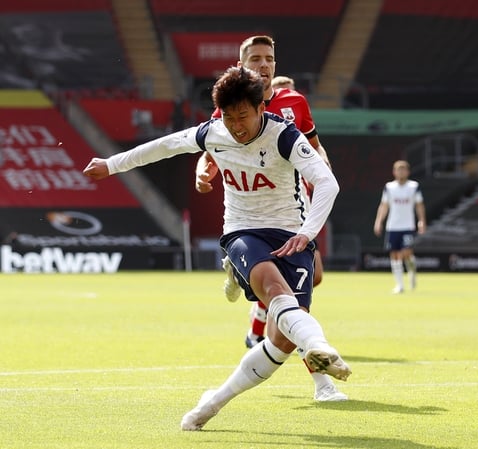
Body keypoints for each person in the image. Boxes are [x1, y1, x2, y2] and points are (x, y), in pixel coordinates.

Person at [83, 66, 351, 431]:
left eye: (243, 116)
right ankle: (319, 345)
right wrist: (111, 165)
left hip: (290, 233)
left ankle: (213, 401)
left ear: (260, 108)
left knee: (281, 343)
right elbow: (164, 146)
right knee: (272, 287)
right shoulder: (212, 133)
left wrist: (306, 233)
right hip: (243, 231)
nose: (236, 126)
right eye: (229, 117)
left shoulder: (284, 135)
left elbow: (327, 182)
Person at [194, 36, 346, 402]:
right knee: (292, 294)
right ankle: (322, 383)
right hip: (252, 214)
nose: (264, 65)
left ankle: (249, 294)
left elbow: (314, 143)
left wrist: (322, 165)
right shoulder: (233, 106)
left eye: (269, 59)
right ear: (241, 65)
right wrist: (202, 170)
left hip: (293, 206)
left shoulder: (295, 103)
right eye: (256, 59)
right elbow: (208, 149)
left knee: (313, 279)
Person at [373, 160, 427, 294]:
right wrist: (379, 221)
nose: (401, 172)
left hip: (407, 226)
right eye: (398, 169)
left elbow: (419, 205)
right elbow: (384, 205)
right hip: (393, 226)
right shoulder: (389, 187)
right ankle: (400, 285)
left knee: (406, 253)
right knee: (394, 254)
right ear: (394, 172)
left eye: (403, 169)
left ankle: (412, 271)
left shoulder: (413, 186)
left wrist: (421, 221)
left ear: (408, 172)